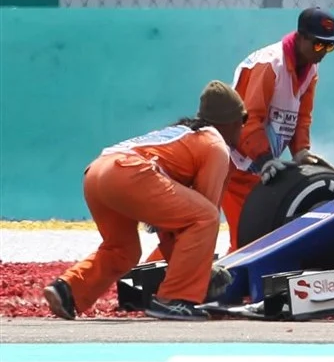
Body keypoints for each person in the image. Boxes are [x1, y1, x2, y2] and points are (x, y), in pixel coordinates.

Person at [45, 82, 246, 320]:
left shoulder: (184, 134)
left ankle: (68, 291)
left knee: (122, 250)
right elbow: (199, 218)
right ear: (233, 121)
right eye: (243, 122)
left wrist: (188, 265)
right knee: (206, 216)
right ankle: (173, 299)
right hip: (128, 173)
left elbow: (177, 225)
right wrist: (204, 272)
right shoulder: (215, 144)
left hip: (97, 173)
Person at [221, 7, 334, 252]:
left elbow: (302, 116)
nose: (324, 53)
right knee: (249, 239)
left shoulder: (310, 69)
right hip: (236, 164)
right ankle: (153, 279)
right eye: (319, 45)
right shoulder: (269, 65)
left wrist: (301, 152)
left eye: (330, 47)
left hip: (259, 164)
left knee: (253, 236)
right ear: (301, 37)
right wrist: (265, 159)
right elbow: (247, 120)